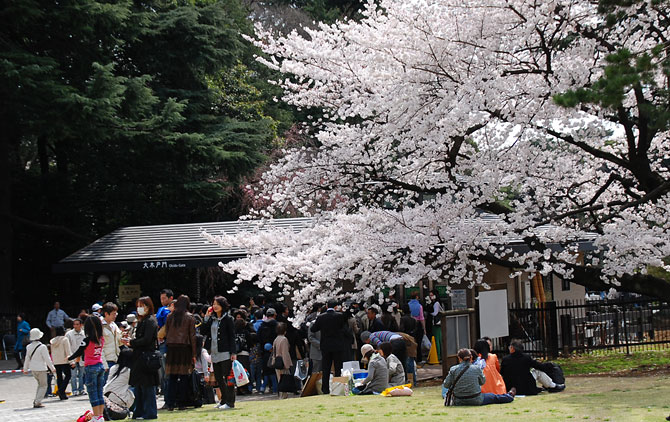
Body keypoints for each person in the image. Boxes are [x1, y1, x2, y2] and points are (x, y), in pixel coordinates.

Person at [125, 296, 159, 420]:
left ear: (148, 307)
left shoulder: (150, 321)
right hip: (139, 357)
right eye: (138, 306)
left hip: (146, 358)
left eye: (142, 306)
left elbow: (146, 339)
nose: (139, 308)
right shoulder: (143, 321)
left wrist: (132, 343)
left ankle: (149, 412)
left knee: (147, 387)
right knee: (139, 387)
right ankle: (139, 412)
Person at [443, 348, 516, 406]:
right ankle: (509, 396)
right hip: (476, 399)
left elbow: (446, 384)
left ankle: (509, 395)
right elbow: (482, 381)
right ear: (471, 357)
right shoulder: (476, 368)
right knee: (493, 396)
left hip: (458, 400)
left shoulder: (453, 369)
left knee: (492, 396)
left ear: (459, 358)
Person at [68, 315, 107, 422]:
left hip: (91, 367)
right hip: (100, 365)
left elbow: (79, 352)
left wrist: (69, 358)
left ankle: (96, 416)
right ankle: (100, 416)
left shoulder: (86, 340)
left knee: (92, 392)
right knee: (99, 392)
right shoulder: (101, 339)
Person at [201, 296, 237, 410]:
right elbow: (203, 331)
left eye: (217, 304)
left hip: (225, 352)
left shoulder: (228, 319)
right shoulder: (212, 319)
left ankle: (230, 402)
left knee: (227, 377)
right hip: (214, 351)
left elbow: (232, 336)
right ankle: (223, 400)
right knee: (218, 378)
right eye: (213, 304)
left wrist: (233, 352)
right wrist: (206, 317)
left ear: (223, 305)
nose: (215, 306)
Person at [163, 295, 197, 411]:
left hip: (172, 348)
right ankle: (182, 403)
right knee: (183, 376)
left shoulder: (169, 316)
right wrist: (194, 354)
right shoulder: (190, 317)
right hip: (184, 348)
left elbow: (167, 332)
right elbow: (192, 336)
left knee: (172, 376)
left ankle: (170, 403)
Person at [310, 299, 349, 395]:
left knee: (326, 367)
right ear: (336, 307)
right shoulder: (340, 316)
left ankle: (325, 389)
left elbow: (313, 329)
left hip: (325, 345)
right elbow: (344, 329)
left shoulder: (321, 317)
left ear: (327, 306)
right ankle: (338, 387)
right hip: (338, 345)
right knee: (338, 367)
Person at [500, 340, 565, 395]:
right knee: (537, 371)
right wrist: (548, 366)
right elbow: (539, 366)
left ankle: (551, 386)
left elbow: (502, 372)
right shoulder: (526, 357)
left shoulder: (505, 359)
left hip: (511, 389)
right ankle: (553, 386)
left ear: (512, 348)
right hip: (527, 388)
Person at [23, 328, 56, 408]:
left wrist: (25, 368)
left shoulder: (28, 346)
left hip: (33, 369)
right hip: (41, 369)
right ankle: (37, 402)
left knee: (40, 385)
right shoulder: (43, 347)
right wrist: (52, 368)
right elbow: (47, 359)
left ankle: (36, 400)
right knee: (44, 385)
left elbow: (27, 358)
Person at [103, 348, 135, 420]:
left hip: (106, 395)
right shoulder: (129, 371)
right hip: (118, 398)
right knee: (135, 389)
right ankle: (135, 409)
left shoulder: (113, 368)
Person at [156, 288, 174, 395]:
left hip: (166, 341)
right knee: (163, 370)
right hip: (163, 341)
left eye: (164, 298)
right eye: (161, 298)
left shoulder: (166, 310)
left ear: (170, 298)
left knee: (165, 371)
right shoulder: (163, 309)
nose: (162, 300)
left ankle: (167, 393)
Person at [258, 308, 279, 394]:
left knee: (266, 372)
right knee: (274, 372)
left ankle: (263, 389)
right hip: (275, 350)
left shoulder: (262, 325)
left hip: (264, 351)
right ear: (274, 315)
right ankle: (275, 389)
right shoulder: (276, 325)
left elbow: (258, 337)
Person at [102, 302, 123, 385]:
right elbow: (100, 347)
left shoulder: (114, 325)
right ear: (106, 314)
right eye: (113, 314)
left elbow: (119, 341)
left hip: (116, 358)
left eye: (116, 313)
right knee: (106, 386)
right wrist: (104, 364)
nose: (115, 315)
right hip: (107, 360)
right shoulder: (100, 326)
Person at [50, 326, 73, 400]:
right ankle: (61, 391)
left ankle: (61, 394)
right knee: (68, 375)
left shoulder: (52, 341)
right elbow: (68, 351)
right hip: (64, 360)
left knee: (59, 377)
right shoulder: (65, 339)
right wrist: (71, 361)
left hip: (56, 361)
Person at [272, 322, 293, 399]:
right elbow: (285, 352)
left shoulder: (276, 339)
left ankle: (281, 395)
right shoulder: (284, 339)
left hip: (277, 361)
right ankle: (283, 396)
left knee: (279, 379)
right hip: (282, 362)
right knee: (284, 379)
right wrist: (287, 364)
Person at [66, 318, 87, 396]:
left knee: (82, 374)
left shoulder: (84, 334)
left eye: (77, 324)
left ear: (81, 325)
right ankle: (74, 390)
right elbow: (67, 347)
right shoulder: (69, 334)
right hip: (73, 356)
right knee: (73, 375)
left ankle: (81, 389)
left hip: (82, 357)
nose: (75, 326)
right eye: (74, 324)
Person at [428, 290, 443, 360]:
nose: (430, 297)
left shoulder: (436, 303)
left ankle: (438, 355)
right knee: (439, 339)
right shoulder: (438, 303)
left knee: (436, 340)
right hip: (439, 324)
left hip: (436, 323)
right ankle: (440, 355)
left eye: (431, 295)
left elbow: (435, 313)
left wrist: (429, 313)